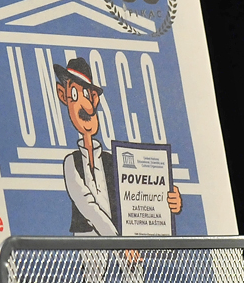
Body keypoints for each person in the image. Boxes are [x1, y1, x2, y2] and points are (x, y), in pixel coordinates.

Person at [55, 57, 182, 236]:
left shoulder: (112, 161)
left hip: (121, 241)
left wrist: (168, 200)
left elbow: (139, 194)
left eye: (88, 95)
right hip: (89, 243)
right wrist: (120, 242)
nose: (85, 106)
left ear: (94, 99)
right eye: (74, 95)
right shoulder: (71, 162)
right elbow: (87, 205)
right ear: (63, 95)